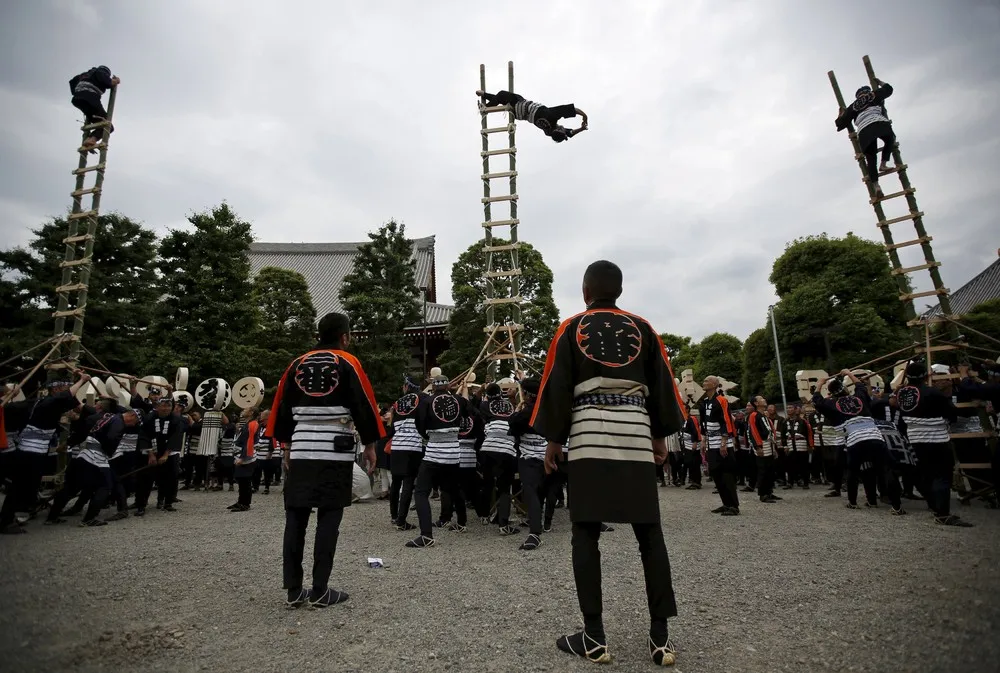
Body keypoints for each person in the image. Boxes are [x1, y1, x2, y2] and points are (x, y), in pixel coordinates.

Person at [533, 260, 684, 666]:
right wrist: (658, 436)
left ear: (586, 292)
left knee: (585, 532)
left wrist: (553, 439)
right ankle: (661, 639)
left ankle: (595, 636)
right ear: (618, 290)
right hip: (635, 428)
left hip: (587, 432)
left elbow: (557, 383)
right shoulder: (644, 328)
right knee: (649, 534)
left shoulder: (570, 328)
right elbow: (663, 384)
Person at [267, 312, 383, 609]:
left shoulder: (296, 364)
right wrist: (370, 444)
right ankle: (320, 589)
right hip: (334, 447)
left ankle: (294, 590)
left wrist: (286, 446)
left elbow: (281, 407)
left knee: (296, 518)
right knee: (329, 518)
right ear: (344, 337)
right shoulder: (347, 362)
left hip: (303, 448)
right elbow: (363, 403)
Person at [0, 375, 89, 535]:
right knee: (19, 486)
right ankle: (6, 520)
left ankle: (15, 515)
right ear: (55, 389)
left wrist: (77, 378)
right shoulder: (48, 403)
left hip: (36, 452)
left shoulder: (50, 404)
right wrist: (82, 380)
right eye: (64, 387)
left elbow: (75, 403)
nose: (68, 390)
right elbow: (67, 395)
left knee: (28, 486)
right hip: (29, 452)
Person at [813, 371, 904, 515]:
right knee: (887, 469)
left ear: (832, 394)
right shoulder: (859, 398)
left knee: (853, 472)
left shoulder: (831, 404)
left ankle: (853, 502)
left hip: (854, 439)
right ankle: (897, 507)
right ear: (846, 389)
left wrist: (819, 384)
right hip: (874, 436)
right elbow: (860, 386)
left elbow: (817, 400)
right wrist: (849, 373)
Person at [897, 362, 969, 527]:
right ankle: (943, 514)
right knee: (942, 476)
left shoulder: (902, 394)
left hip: (915, 439)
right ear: (926, 376)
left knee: (927, 475)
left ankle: (935, 507)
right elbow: (952, 414)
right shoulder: (933, 393)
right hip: (936, 439)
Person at [46, 408, 140, 526]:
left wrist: (70, 442)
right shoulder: (118, 422)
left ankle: (52, 517)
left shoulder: (108, 416)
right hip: (97, 456)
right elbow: (111, 438)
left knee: (71, 487)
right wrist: (109, 452)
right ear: (132, 416)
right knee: (105, 486)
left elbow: (87, 425)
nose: (133, 425)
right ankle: (89, 519)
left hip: (84, 453)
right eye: (135, 422)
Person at [407, 373, 469, 548]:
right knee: (453, 488)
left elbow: (419, 424)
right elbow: (471, 414)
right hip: (454, 450)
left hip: (434, 450)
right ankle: (462, 523)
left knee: (420, 492)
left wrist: (429, 436)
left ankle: (426, 535)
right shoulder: (458, 401)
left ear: (433, 386)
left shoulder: (426, 402)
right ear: (448, 386)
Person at [508, 377, 550, 550]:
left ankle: (535, 532)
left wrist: (517, 410)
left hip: (529, 456)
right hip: (548, 454)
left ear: (526, 394)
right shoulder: (549, 408)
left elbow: (513, 427)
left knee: (531, 492)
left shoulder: (526, 413)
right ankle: (541, 523)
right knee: (543, 492)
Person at [835, 79, 895, 197]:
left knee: (871, 158)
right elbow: (889, 90)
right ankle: (883, 164)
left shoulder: (853, 106)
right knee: (890, 139)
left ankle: (876, 186)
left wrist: (840, 115)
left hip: (864, 130)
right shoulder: (873, 95)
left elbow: (840, 124)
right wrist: (879, 82)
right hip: (878, 121)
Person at [476, 382, 519, 533]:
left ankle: (484, 515)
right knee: (505, 487)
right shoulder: (511, 408)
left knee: (487, 483)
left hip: (488, 448)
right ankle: (503, 524)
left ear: (487, 396)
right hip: (507, 450)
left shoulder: (485, 407)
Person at [134, 397, 183, 516]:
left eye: (168, 406)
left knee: (170, 478)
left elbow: (175, 438)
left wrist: (166, 455)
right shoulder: (150, 418)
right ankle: (141, 505)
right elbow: (144, 436)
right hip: (151, 450)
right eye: (163, 406)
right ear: (157, 406)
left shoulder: (176, 419)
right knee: (145, 479)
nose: (166, 408)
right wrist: (150, 454)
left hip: (169, 452)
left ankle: (167, 502)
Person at [477, 89, 588, 142]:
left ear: (559, 130)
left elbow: (573, 109)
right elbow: (570, 133)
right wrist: (582, 129)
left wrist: (584, 116)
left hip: (521, 104)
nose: (564, 128)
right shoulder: (549, 132)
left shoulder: (552, 116)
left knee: (502, 94)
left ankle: (485, 108)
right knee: (502, 99)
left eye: (563, 129)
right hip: (519, 114)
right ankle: (484, 95)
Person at [389, 376, 426, 531]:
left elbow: (391, 427)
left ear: (407, 386)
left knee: (396, 482)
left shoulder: (398, 403)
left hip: (397, 444)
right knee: (408, 482)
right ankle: (401, 520)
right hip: (413, 445)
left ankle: (394, 515)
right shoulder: (423, 398)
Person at [700, 377, 740, 515]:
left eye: (706, 381)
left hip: (722, 441)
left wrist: (724, 442)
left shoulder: (722, 400)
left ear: (715, 385)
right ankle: (725, 503)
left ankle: (733, 506)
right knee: (716, 473)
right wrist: (703, 440)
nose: (703, 383)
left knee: (726, 473)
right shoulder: (704, 402)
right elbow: (703, 424)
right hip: (711, 442)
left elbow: (726, 421)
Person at [69, 65, 119, 150]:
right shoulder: (100, 72)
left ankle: (89, 140)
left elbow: (72, 81)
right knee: (108, 126)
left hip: (77, 99)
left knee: (99, 121)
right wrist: (115, 81)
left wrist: (76, 91)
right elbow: (107, 82)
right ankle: (92, 139)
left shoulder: (84, 75)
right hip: (90, 97)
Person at [748, 396, 780, 503]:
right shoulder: (754, 415)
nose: (764, 399)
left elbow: (771, 430)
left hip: (769, 444)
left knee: (770, 470)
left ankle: (769, 491)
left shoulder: (764, 415)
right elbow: (753, 431)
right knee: (763, 470)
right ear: (756, 403)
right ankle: (763, 494)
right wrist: (758, 446)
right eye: (761, 399)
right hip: (762, 444)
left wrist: (774, 447)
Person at [230, 408, 259, 512]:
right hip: (242, 454)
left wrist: (243, 458)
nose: (242, 410)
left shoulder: (252, 424)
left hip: (247, 456)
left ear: (251, 412)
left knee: (245, 479)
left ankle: (245, 503)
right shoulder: (248, 424)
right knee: (241, 479)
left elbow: (249, 442)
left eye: (245, 409)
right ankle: (241, 501)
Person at [780, 403, 813, 489]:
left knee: (804, 465)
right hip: (790, 446)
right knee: (790, 465)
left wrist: (810, 445)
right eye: (787, 408)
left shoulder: (802, 421)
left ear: (795, 409)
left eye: (790, 407)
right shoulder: (784, 422)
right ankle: (790, 483)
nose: (788, 409)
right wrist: (785, 446)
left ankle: (805, 483)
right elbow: (783, 435)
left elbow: (808, 433)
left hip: (801, 446)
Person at [681, 411, 702, 490]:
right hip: (687, 445)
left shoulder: (691, 419)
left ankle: (696, 482)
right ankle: (693, 480)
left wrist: (695, 442)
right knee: (689, 463)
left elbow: (695, 431)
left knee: (694, 463)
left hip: (692, 445)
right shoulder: (684, 420)